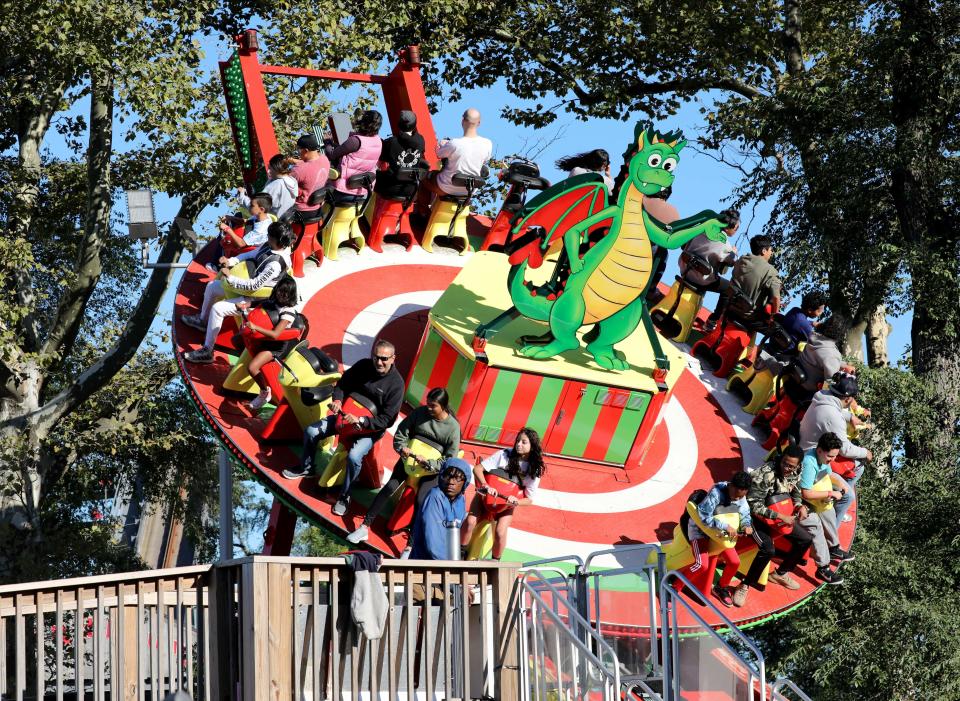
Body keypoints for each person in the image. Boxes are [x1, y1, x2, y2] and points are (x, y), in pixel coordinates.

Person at [282, 340, 405, 516]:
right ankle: (306, 468)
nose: (379, 362)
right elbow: (342, 385)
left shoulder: (396, 384)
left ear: (393, 358)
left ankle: (345, 495)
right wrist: (337, 400)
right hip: (344, 417)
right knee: (311, 431)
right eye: (376, 357)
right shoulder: (364, 365)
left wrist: (362, 421)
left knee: (354, 457)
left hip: (369, 430)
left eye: (384, 359)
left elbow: (387, 420)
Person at [346, 387, 461, 544]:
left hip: (429, 471)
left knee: (422, 501)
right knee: (389, 488)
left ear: (443, 406)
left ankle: (409, 546)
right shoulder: (420, 413)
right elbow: (402, 431)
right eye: (428, 404)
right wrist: (402, 448)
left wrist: (430, 464)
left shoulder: (453, 427)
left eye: (433, 405)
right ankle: (364, 527)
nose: (429, 408)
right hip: (409, 460)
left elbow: (450, 457)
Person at [181, 221, 294, 364]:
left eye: (270, 236)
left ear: (276, 240)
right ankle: (203, 321)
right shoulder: (269, 246)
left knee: (218, 309)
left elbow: (254, 286)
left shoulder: (275, 264)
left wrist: (230, 278)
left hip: (257, 299)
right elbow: (250, 254)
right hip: (242, 286)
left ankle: (207, 351)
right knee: (211, 286)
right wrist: (230, 261)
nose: (267, 237)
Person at [739, 445, 815, 606]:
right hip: (753, 518)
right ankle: (745, 585)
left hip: (778, 515)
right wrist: (780, 516)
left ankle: (780, 574)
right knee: (768, 549)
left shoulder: (796, 470)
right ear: (781, 458)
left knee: (805, 540)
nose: (787, 468)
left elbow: (795, 489)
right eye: (785, 463)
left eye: (791, 466)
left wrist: (799, 505)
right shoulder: (765, 474)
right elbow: (752, 505)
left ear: (798, 465)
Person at [459, 428, 547, 560]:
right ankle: (460, 551)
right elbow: (478, 469)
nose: (518, 444)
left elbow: (529, 499)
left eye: (524, 442)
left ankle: (495, 561)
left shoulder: (535, 469)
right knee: (470, 521)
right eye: (518, 441)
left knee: (500, 532)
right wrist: (486, 485)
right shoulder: (504, 454)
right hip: (485, 497)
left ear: (532, 446)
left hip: (506, 505)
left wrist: (516, 501)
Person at [798, 373, 872, 523]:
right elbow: (845, 449)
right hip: (813, 456)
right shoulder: (834, 417)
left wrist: (849, 417)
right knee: (857, 471)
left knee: (854, 463)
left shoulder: (822, 396)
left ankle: (837, 493)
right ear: (848, 399)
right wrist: (866, 452)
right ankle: (836, 511)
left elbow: (835, 410)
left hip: (804, 442)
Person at [677, 471, 753, 608]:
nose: (737, 499)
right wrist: (725, 526)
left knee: (735, 562)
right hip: (701, 532)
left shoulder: (740, 496)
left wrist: (747, 525)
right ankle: (676, 586)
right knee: (702, 565)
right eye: (735, 495)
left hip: (720, 536)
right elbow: (703, 517)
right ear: (731, 486)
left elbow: (745, 512)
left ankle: (720, 588)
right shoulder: (716, 493)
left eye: (740, 497)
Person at [797, 432, 854, 584]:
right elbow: (806, 493)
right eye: (830, 457)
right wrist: (830, 493)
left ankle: (833, 547)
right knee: (815, 525)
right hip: (801, 501)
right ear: (820, 450)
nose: (833, 460)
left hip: (817, 500)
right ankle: (823, 568)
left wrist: (841, 485)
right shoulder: (809, 463)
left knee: (829, 512)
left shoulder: (824, 460)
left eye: (835, 456)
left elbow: (829, 475)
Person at [237, 276, 300, 411]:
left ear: (290, 295)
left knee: (252, 367)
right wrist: (245, 305)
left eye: (284, 293)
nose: (280, 295)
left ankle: (265, 392)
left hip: (275, 345)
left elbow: (275, 334)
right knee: (236, 340)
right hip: (263, 338)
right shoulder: (275, 300)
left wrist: (255, 327)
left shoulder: (288, 312)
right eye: (279, 291)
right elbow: (262, 302)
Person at [416, 108, 492, 212]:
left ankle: (422, 212)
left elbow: (439, 153)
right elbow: (484, 160)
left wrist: (442, 144)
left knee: (424, 177)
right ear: (479, 123)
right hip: (469, 190)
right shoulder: (487, 144)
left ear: (462, 121)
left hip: (446, 187)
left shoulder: (455, 143)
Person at [679, 207, 740, 324]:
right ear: (728, 228)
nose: (736, 231)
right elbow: (732, 262)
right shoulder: (724, 244)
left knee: (709, 270)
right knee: (729, 289)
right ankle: (712, 321)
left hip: (685, 270)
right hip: (701, 279)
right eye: (736, 228)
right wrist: (734, 253)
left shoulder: (702, 229)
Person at [709, 234, 782, 331]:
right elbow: (776, 297)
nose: (771, 253)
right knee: (778, 328)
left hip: (730, 310)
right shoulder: (770, 271)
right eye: (770, 250)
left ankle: (712, 321)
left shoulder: (742, 259)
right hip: (749, 318)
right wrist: (773, 317)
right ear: (764, 251)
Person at [410, 457, 472, 560]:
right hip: (425, 563)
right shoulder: (435, 496)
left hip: (446, 563)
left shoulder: (461, 500)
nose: (451, 482)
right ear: (441, 476)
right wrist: (452, 566)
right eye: (447, 476)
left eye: (457, 478)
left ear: (465, 482)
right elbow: (433, 542)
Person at [324, 109, 383, 205]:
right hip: (361, 189)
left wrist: (327, 142)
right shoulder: (378, 141)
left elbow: (332, 154)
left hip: (344, 189)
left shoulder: (355, 141)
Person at [791, 314, 856, 399]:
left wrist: (843, 365)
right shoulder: (832, 354)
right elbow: (829, 384)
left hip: (794, 379)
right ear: (841, 334)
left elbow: (822, 357)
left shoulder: (814, 339)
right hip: (808, 391)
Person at [374, 110, 426, 201]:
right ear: (414, 124)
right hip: (412, 189)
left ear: (399, 124)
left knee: (371, 176)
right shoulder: (421, 140)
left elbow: (381, 156)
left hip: (391, 187)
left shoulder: (392, 142)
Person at [215, 192, 273, 260]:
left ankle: (216, 263)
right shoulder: (262, 217)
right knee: (238, 215)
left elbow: (241, 243)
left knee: (223, 240)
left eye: (252, 206)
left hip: (249, 252)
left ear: (262, 209)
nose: (249, 207)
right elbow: (248, 221)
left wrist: (227, 229)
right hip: (246, 237)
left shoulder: (260, 230)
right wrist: (231, 218)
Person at [290, 134, 331, 213]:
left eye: (298, 149)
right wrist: (295, 161)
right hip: (318, 208)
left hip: (301, 210)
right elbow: (311, 165)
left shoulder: (299, 170)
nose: (298, 152)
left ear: (305, 150)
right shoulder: (324, 159)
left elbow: (285, 184)